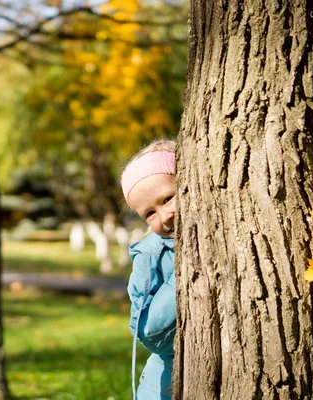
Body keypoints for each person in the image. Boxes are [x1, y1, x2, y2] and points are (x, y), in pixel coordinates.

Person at [120, 139, 176, 399]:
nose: (164, 215)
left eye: (168, 199)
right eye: (150, 213)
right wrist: (182, 278)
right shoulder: (148, 258)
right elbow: (151, 336)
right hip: (163, 387)